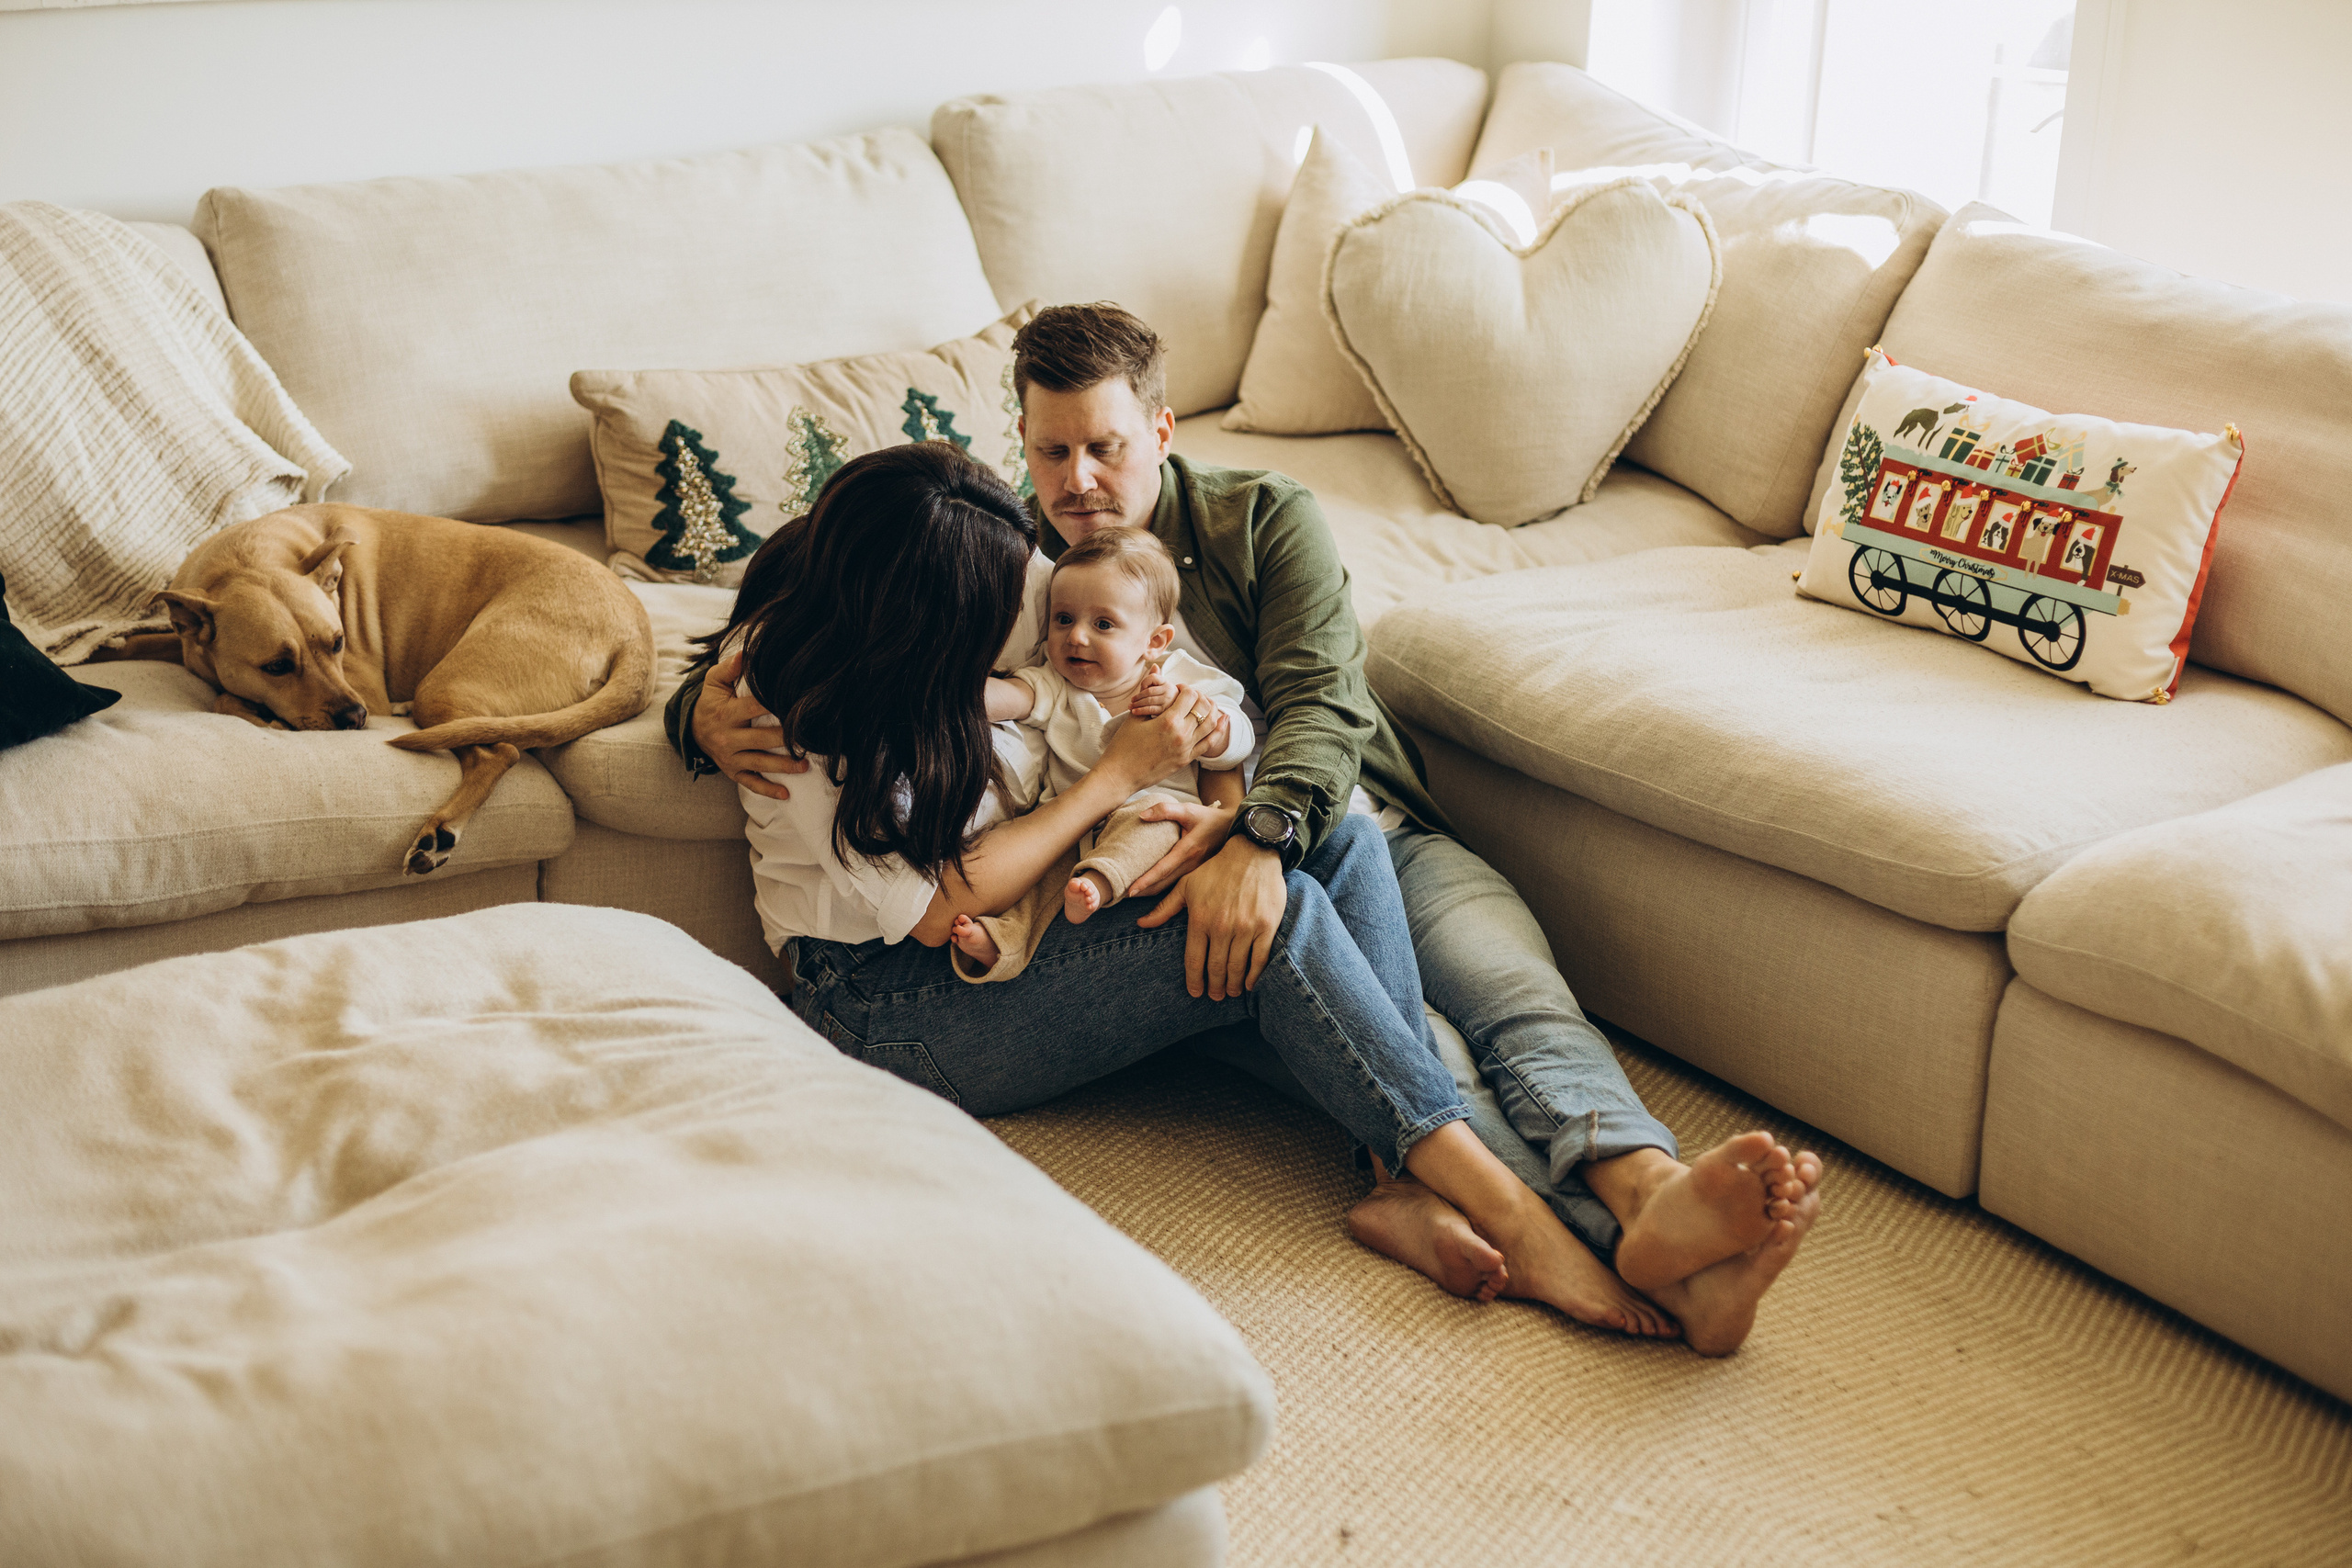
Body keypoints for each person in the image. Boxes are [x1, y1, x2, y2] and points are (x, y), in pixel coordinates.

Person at [673, 307, 1822, 1353]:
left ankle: (1596, 1207)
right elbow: (852, 688)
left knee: (1391, 901)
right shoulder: (943, 600)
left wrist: (1246, 836)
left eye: (1105, 446)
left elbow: (1301, 712)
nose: (1074, 484)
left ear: (1160, 431)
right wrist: (700, 713)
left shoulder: (1201, 532)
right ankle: (1525, 1216)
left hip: (1301, 820)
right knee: (1342, 978)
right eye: (1049, 451)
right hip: (924, 983)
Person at [953, 525, 1252, 982]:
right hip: (1072, 824)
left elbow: (1236, 738)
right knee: (1037, 879)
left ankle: (1099, 881)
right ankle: (1003, 945)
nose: (1077, 638)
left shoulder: (1181, 680)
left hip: (1155, 817)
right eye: (1064, 619)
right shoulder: (1055, 685)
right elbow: (1005, 698)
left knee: (1157, 822)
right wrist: (936, 694)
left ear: (1154, 641)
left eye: (1104, 624)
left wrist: (1209, 731)